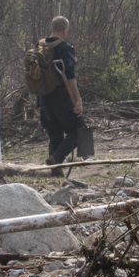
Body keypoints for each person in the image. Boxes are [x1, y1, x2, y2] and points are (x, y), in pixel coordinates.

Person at [35, 15, 85, 165]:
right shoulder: (65, 48)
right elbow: (70, 77)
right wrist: (78, 100)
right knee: (78, 132)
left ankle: (55, 170)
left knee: (55, 135)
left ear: (52, 29)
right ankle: (58, 158)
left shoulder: (39, 46)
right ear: (64, 30)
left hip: (43, 98)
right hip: (61, 98)